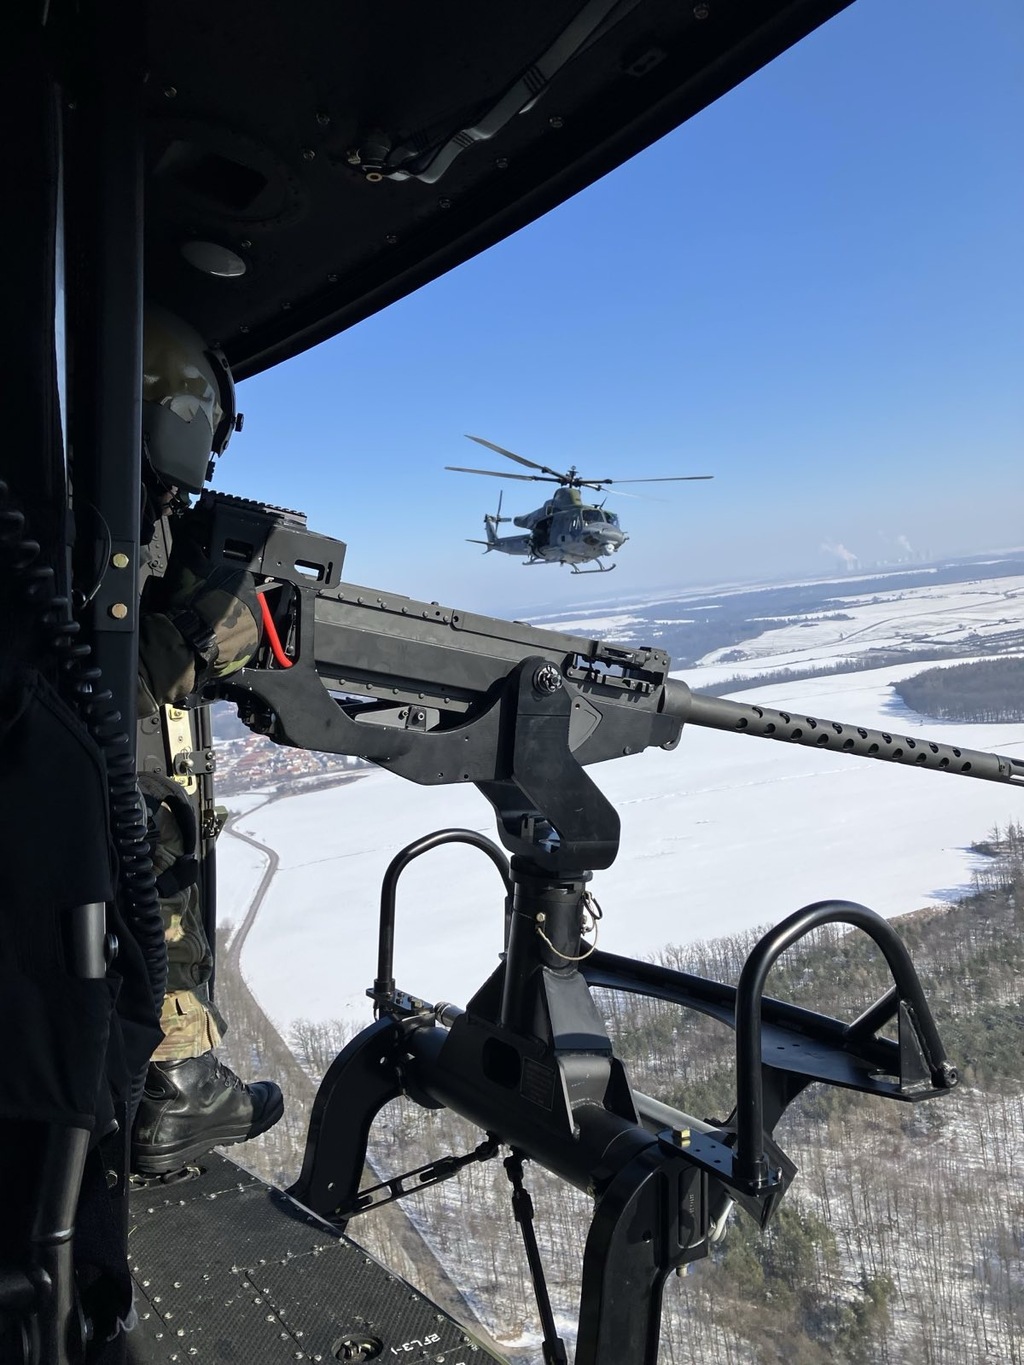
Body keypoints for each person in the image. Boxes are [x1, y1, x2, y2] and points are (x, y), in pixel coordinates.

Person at [129, 305, 283, 1175]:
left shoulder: (116, 510)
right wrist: (197, 631)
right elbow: (77, 683)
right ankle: (173, 1088)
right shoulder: (82, 519)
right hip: (107, 807)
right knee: (152, 841)